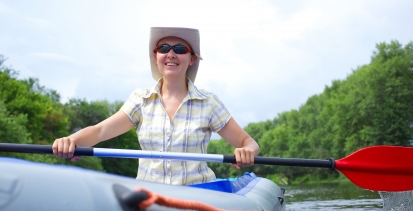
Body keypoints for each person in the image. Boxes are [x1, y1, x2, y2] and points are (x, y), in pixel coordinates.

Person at [53, 27, 259, 185]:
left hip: (200, 196)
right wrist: (71, 140)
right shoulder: (140, 99)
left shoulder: (209, 102)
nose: (170, 54)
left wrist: (247, 151)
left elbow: (247, 141)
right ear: (156, 56)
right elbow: (100, 131)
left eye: (180, 49)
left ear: (191, 59)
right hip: (148, 198)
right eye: (163, 48)